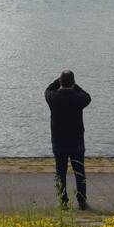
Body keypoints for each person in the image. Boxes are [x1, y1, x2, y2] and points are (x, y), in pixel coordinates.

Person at [45, 70, 91, 209]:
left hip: (59, 141)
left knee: (60, 172)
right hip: (76, 141)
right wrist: (75, 86)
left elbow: (48, 89)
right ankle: (82, 201)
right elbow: (87, 96)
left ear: (60, 81)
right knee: (79, 172)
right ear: (73, 82)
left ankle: (63, 201)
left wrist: (57, 81)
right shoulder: (78, 98)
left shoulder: (53, 98)